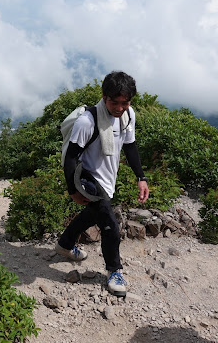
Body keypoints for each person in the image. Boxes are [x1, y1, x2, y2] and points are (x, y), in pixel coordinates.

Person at [57, 71, 149, 297]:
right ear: (103, 97)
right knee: (110, 226)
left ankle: (65, 244)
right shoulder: (88, 121)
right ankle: (114, 271)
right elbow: (70, 158)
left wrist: (141, 177)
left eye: (125, 103)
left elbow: (130, 146)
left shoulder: (128, 115)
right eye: (114, 102)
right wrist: (72, 190)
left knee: (91, 215)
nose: (119, 108)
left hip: (108, 178)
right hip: (88, 178)